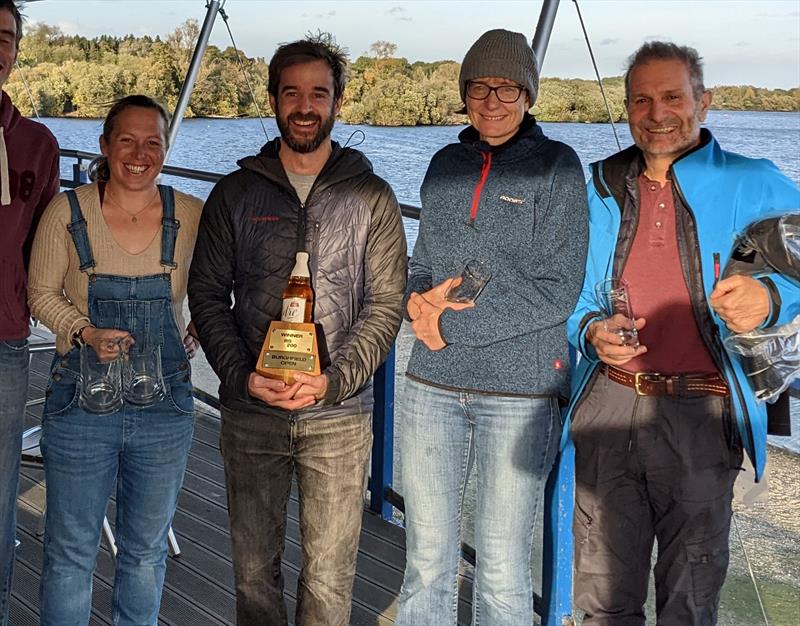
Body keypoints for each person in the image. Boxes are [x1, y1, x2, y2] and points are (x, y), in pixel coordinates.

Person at [565, 42, 800, 625]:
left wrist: (773, 297)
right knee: (601, 604)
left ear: (704, 102)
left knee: (689, 605)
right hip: (610, 405)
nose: (656, 112)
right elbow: (569, 293)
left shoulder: (755, 180)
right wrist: (591, 328)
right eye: (640, 100)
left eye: (672, 96)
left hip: (704, 415)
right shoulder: (598, 186)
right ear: (626, 109)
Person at [187, 36, 407, 625]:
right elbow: (206, 293)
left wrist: (332, 382)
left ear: (337, 100)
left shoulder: (373, 197)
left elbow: (385, 305)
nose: (305, 106)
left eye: (319, 92)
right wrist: (240, 376)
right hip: (252, 411)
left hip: (337, 416)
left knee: (330, 580)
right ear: (274, 99)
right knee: (253, 573)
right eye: (292, 93)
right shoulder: (235, 193)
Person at [396, 29, 588, 625]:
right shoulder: (443, 163)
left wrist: (447, 330)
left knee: (502, 567)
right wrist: (413, 303)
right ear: (465, 94)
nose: (493, 100)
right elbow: (423, 260)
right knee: (426, 556)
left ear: (529, 94)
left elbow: (559, 288)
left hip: (519, 393)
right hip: (432, 382)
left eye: (507, 88)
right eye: (480, 87)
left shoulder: (557, 167)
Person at [28, 95, 202, 625]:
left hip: (163, 411)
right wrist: (83, 330)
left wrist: (208, 322)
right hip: (79, 405)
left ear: (166, 149)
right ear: (105, 146)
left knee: (147, 554)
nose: (139, 153)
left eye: (153, 141)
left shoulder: (191, 214)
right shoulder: (68, 210)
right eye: (126, 139)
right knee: (70, 553)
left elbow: (226, 282)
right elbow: (40, 292)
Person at [0, 1, 59, 623]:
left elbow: (53, 243)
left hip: (5, 341)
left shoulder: (37, 144)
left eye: (7, 37)